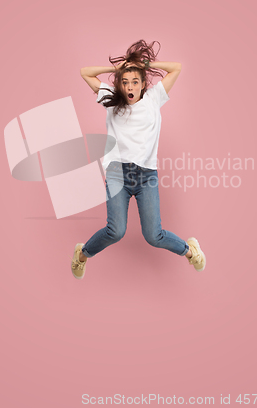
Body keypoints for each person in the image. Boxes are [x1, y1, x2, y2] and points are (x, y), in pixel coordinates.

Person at [71, 39, 206, 279]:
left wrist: (144, 64)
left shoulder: (154, 99)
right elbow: (85, 73)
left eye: (135, 81)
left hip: (146, 176)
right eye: (125, 82)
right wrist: (117, 68)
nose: (130, 86)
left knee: (154, 235)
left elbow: (176, 67)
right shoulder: (111, 100)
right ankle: (81, 255)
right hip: (116, 174)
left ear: (144, 83)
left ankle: (189, 250)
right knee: (116, 231)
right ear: (120, 85)